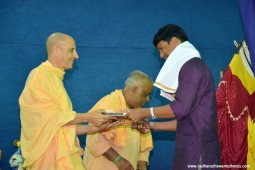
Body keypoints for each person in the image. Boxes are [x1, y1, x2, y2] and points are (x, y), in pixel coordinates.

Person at [19, 32, 119, 170]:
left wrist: (94, 128)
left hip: (64, 157)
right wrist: (89, 116)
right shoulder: (39, 76)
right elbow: (49, 118)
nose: (76, 55)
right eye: (71, 50)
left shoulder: (53, 77)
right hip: (48, 160)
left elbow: (60, 127)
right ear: (55, 49)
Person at [127, 24, 221, 169]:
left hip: (197, 151)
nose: (161, 55)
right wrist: (151, 126)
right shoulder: (192, 66)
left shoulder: (192, 67)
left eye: (162, 49)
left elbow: (180, 108)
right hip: (193, 148)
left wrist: (144, 112)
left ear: (175, 42)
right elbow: (186, 121)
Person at [83, 70, 154, 170]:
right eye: (145, 94)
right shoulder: (109, 103)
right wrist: (118, 159)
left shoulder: (138, 111)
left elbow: (144, 141)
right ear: (133, 89)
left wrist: (142, 164)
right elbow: (93, 138)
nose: (148, 99)